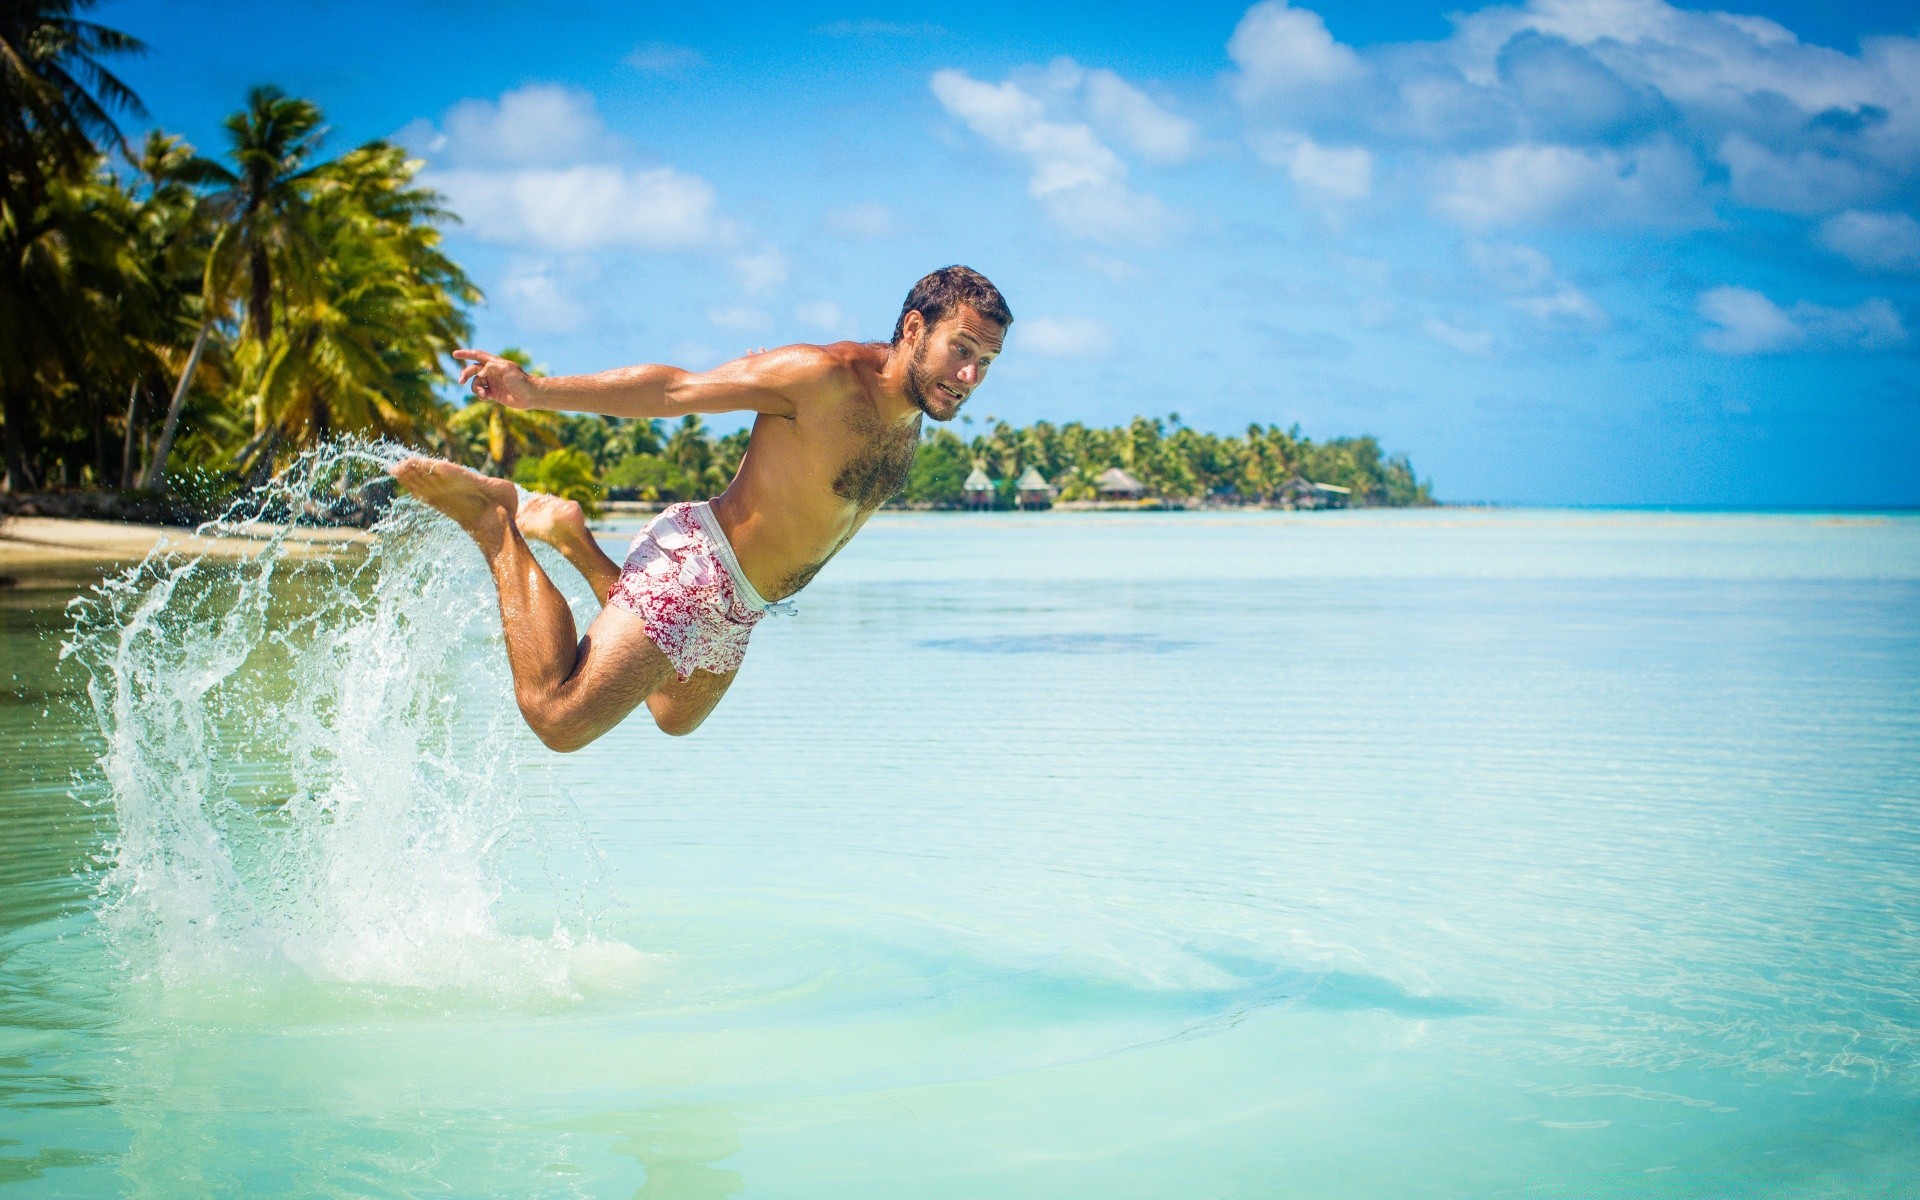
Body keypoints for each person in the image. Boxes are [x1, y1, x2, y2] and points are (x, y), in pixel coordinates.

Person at [392, 265, 1011, 751]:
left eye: (985, 362)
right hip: (700, 569)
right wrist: (536, 393)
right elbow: (677, 389)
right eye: (961, 349)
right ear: (912, 330)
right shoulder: (820, 376)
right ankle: (494, 522)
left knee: (672, 714)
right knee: (559, 717)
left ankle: (572, 536)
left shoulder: (908, 419)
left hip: (744, 604)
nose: (969, 374)